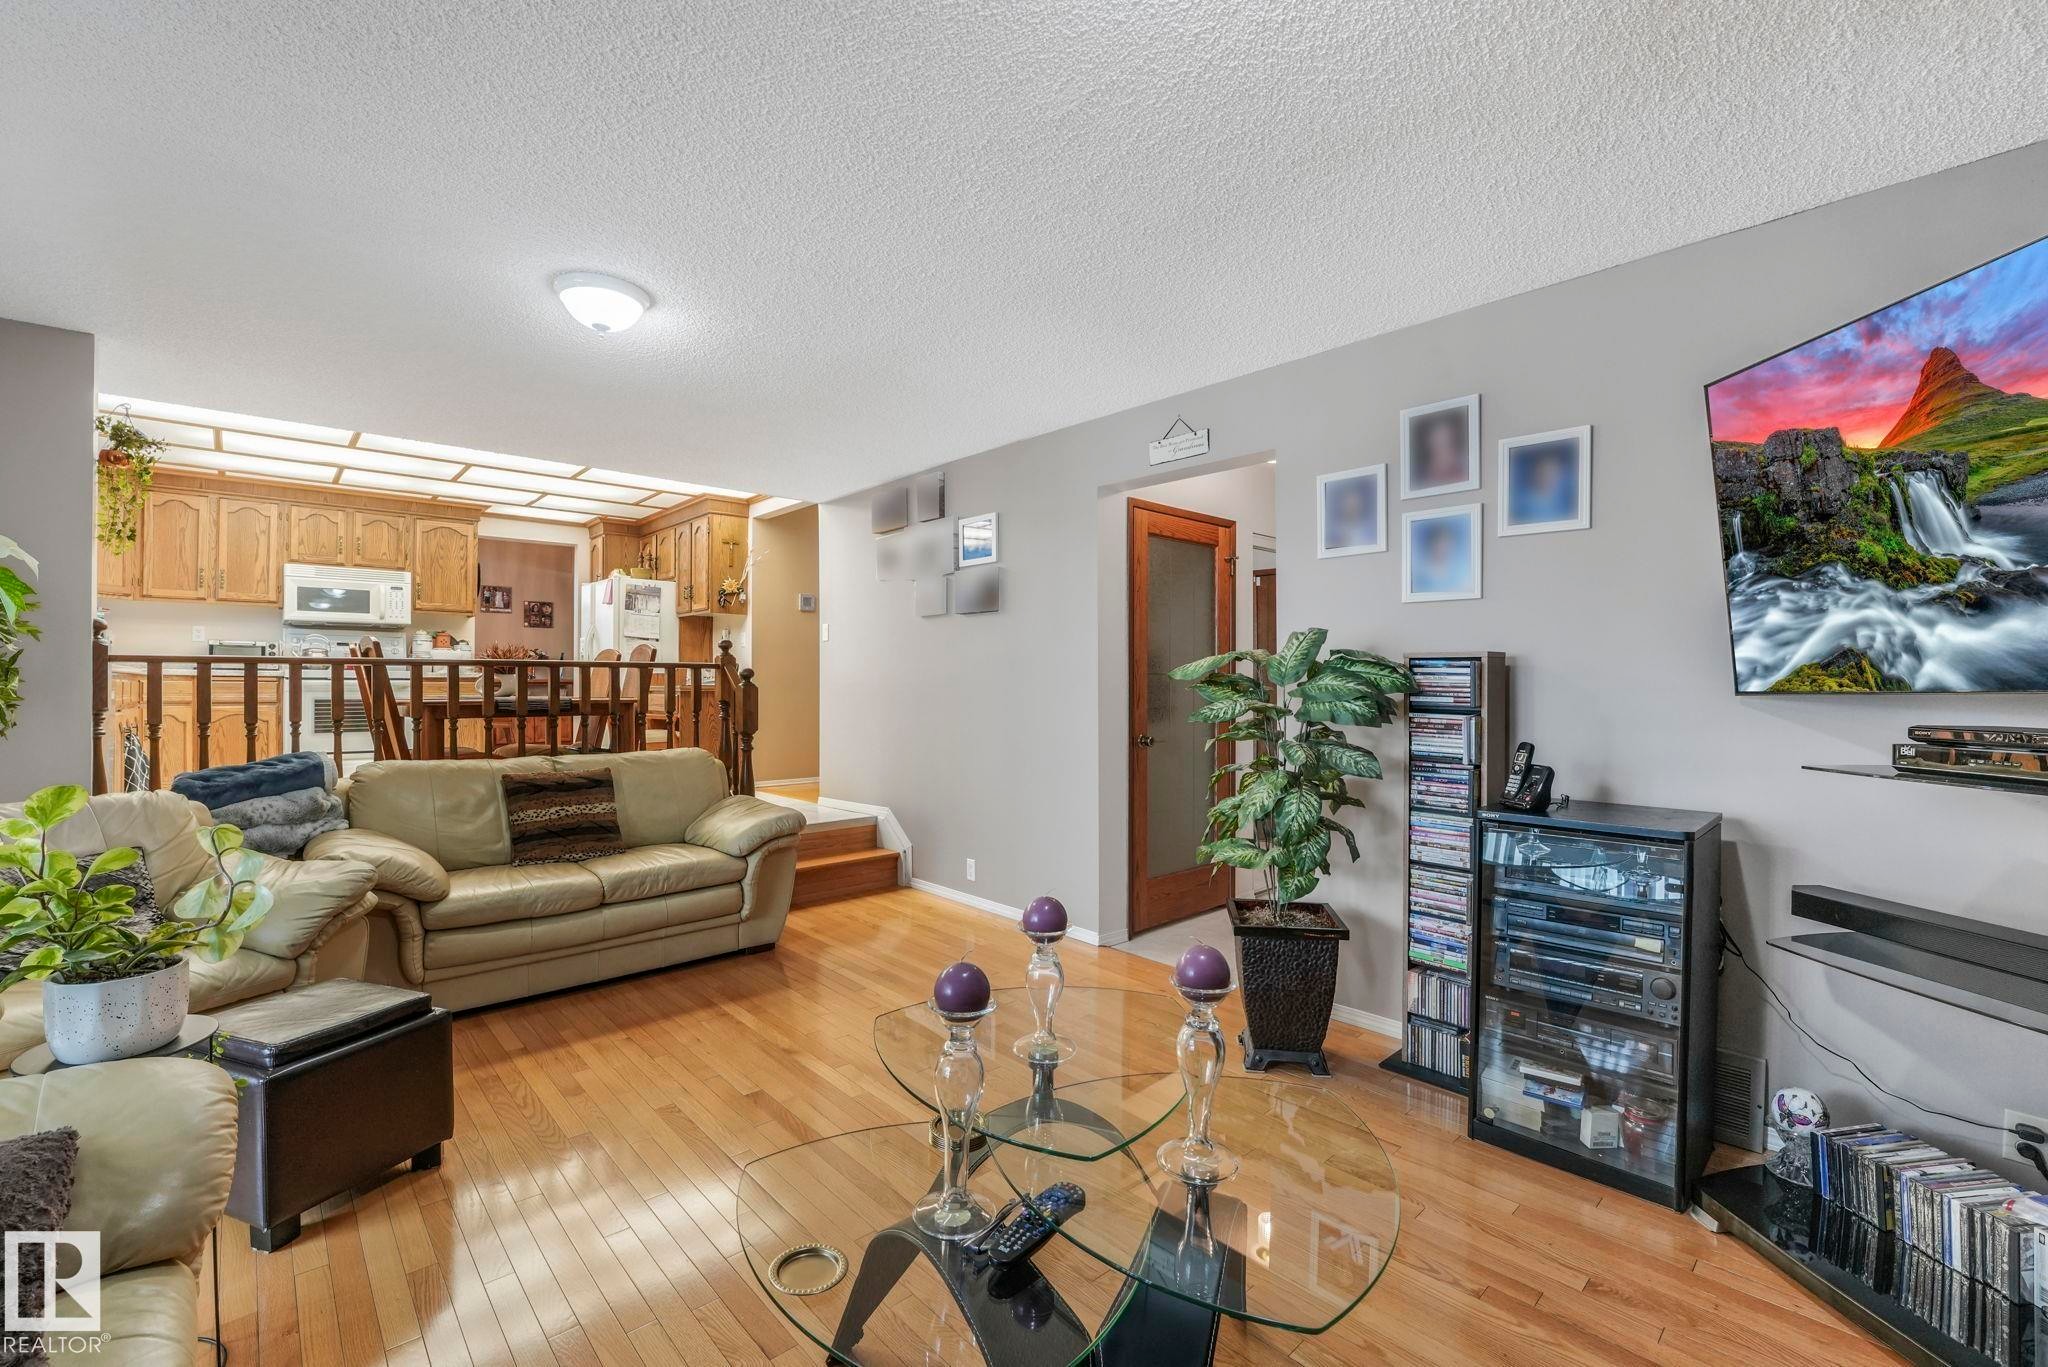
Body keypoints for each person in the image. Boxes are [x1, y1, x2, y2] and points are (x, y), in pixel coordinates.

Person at [1411, 408, 1471, 490]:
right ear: (1430, 442)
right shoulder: (1419, 473)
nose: (1442, 443)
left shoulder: (1463, 467)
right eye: (1438, 440)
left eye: (1447, 440)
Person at [1413, 516, 1472, 594]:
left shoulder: (1458, 574)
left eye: (1447, 543)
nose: (1443, 548)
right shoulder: (1420, 575)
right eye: (1440, 543)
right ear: (1432, 544)